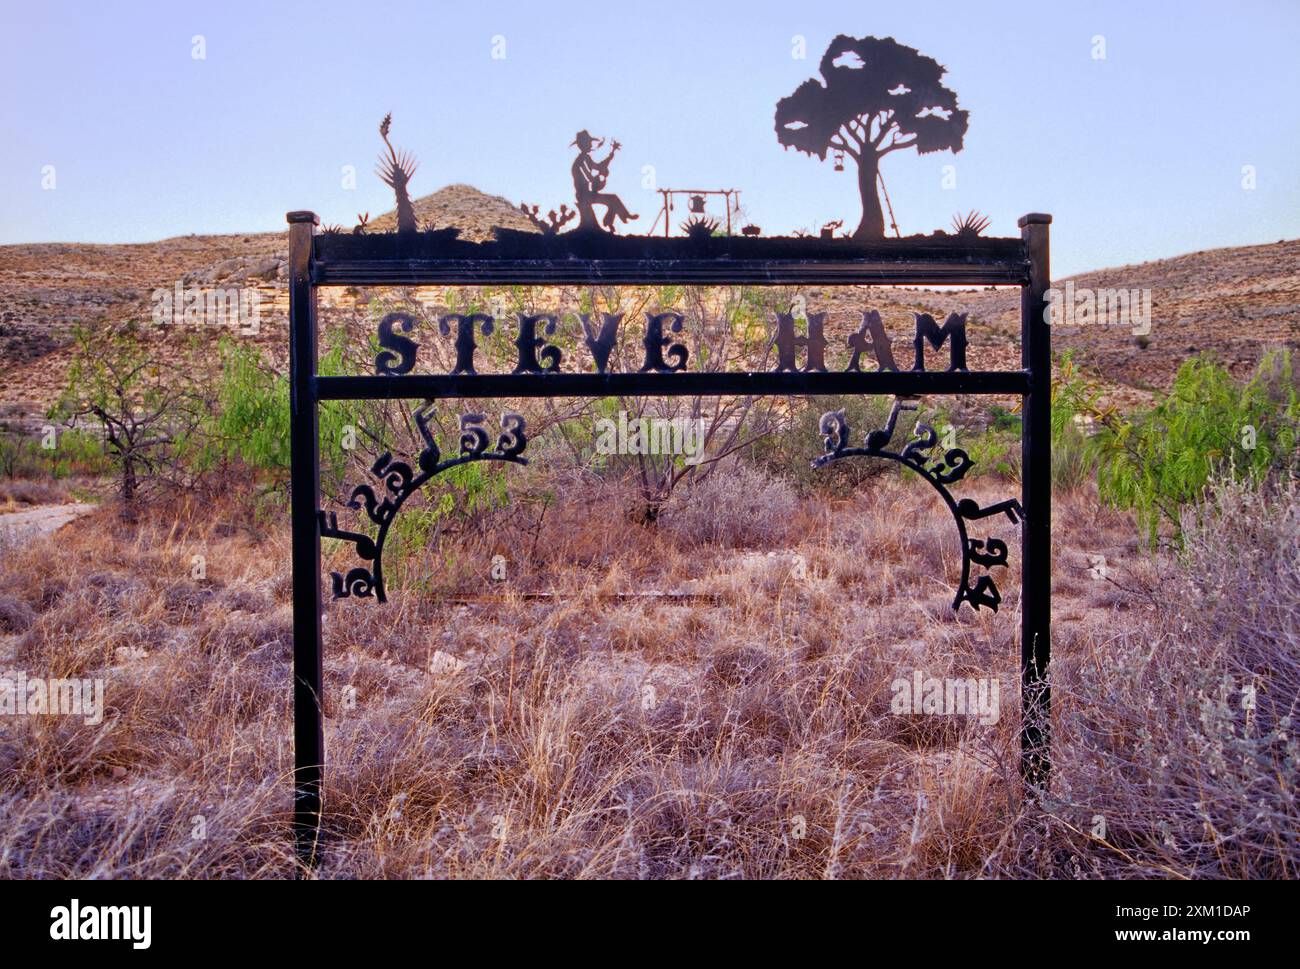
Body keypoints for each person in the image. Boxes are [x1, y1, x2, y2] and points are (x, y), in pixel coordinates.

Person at [571, 130, 638, 231]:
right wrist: (599, 179)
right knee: (612, 199)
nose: (590, 144)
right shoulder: (580, 161)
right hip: (583, 195)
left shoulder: (586, 158)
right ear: (583, 144)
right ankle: (613, 220)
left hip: (587, 193)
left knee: (613, 199)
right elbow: (588, 177)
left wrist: (612, 153)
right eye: (588, 142)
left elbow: (598, 167)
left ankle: (612, 220)